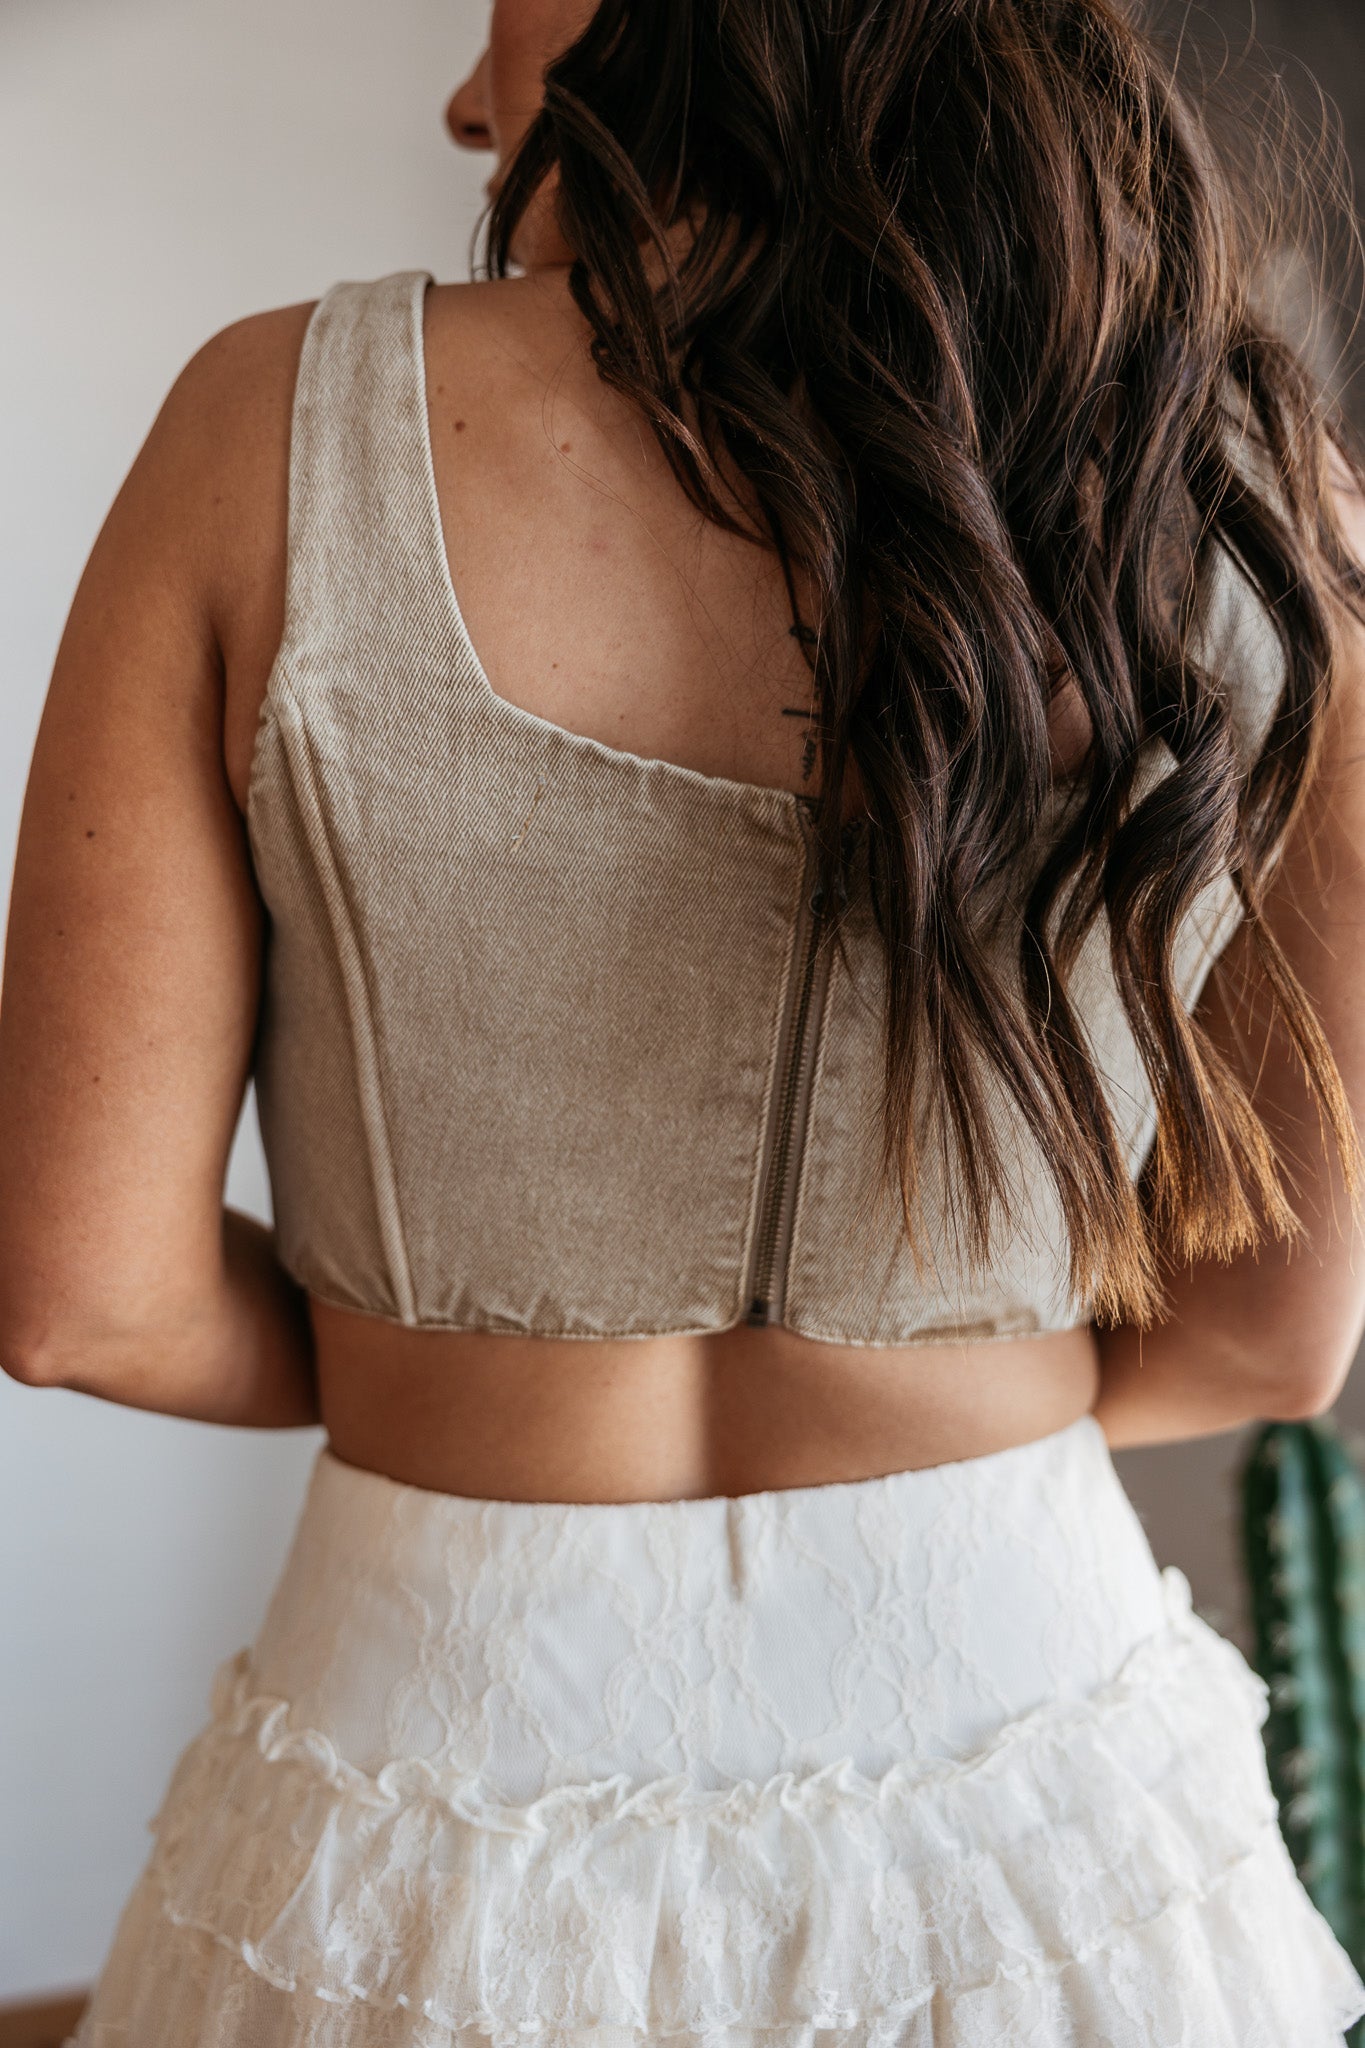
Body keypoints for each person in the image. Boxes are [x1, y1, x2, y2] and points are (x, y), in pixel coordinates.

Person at [6, 0, 1365, 2038]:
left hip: (425, 1789)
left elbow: (77, 1291)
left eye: (495, 13)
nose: (472, 99)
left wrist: (434, 1379)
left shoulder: (263, 430)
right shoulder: (1250, 488)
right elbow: (1275, 1330)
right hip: (1044, 1810)